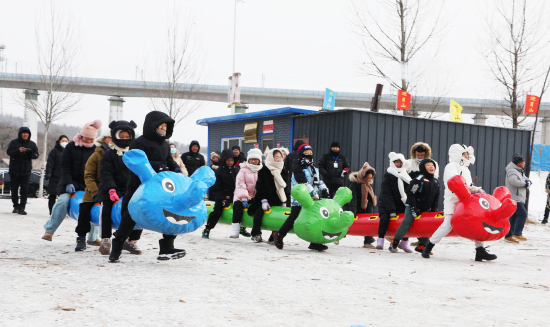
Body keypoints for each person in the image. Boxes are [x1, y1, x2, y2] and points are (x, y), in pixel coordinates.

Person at [109, 111, 185, 263]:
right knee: (129, 218)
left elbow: (169, 160)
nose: (163, 128)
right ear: (152, 126)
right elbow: (134, 161)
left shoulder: (165, 143)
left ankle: (167, 248)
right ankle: (116, 248)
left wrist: (176, 170)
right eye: (161, 125)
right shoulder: (139, 143)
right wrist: (159, 167)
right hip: (139, 187)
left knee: (169, 213)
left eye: (165, 126)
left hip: (159, 189)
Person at [422, 144, 497, 261]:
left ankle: (480, 249)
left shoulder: (465, 169)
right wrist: (469, 189)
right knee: (447, 224)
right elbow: (453, 182)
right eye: (464, 153)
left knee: (477, 220)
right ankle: (429, 246)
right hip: (453, 199)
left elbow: (468, 185)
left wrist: (475, 189)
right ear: (458, 154)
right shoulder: (451, 166)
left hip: (466, 199)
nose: (467, 156)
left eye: (467, 154)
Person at [43, 120, 102, 242]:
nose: (90, 142)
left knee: (94, 206)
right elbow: (65, 166)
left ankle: (93, 237)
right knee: (62, 202)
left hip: (88, 185)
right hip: (69, 183)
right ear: (82, 135)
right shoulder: (71, 147)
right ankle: (50, 230)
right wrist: (68, 182)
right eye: (87, 138)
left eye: (92, 139)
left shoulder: (96, 149)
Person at [273, 144, 330, 251]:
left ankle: (314, 242)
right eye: (306, 153)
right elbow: (302, 182)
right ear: (300, 155)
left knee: (314, 219)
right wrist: (313, 193)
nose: (309, 155)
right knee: (294, 216)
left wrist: (324, 190)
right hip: (300, 196)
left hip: (313, 197)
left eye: (310, 153)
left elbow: (318, 180)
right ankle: (279, 235)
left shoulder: (314, 166)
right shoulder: (298, 167)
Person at [97, 120, 142, 255]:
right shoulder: (109, 154)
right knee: (106, 209)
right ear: (115, 136)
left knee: (138, 211)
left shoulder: (135, 154)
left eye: (127, 137)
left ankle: (131, 241)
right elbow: (105, 173)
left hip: (131, 189)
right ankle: (106, 240)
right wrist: (111, 189)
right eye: (121, 137)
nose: (124, 139)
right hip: (110, 189)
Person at [389, 159, 439, 253]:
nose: (431, 167)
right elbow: (411, 194)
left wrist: (434, 209)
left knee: (426, 225)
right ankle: (395, 242)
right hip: (413, 204)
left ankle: (422, 245)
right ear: (423, 168)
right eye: (428, 165)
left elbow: (436, 197)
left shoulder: (436, 181)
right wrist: (413, 208)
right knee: (407, 222)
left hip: (426, 208)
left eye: (432, 165)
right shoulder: (418, 180)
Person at [74, 127, 111, 251]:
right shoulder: (95, 156)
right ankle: (81, 237)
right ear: (103, 139)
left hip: (111, 191)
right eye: (108, 137)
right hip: (92, 192)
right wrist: (95, 193)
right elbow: (88, 176)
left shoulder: (118, 155)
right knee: (84, 211)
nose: (111, 140)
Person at [248, 149, 288, 243]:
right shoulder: (264, 170)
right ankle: (256, 233)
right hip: (263, 198)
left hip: (278, 198)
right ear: (271, 158)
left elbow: (286, 187)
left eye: (280, 157)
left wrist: (284, 201)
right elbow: (260, 186)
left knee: (278, 216)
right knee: (259, 212)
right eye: (276, 157)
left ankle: (273, 236)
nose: (278, 160)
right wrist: (263, 200)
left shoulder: (283, 170)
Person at [202, 149, 240, 239]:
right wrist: (223, 198)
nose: (230, 162)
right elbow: (216, 188)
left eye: (232, 160)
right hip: (222, 196)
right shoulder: (219, 172)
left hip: (235, 195)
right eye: (228, 160)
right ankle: (207, 229)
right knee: (217, 211)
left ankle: (241, 228)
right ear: (224, 161)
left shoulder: (237, 170)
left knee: (240, 208)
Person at [376, 152, 411, 250]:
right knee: (384, 219)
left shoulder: (406, 176)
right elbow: (387, 195)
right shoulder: (388, 177)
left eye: (400, 162)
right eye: (396, 162)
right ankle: (380, 239)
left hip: (401, 203)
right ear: (392, 163)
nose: (398, 164)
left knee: (406, 220)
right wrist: (392, 210)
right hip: (386, 204)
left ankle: (404, 242)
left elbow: (409, 191)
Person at [230, 148, 263, 238]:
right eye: (251, 159)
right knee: (237, 207)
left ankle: (255, 232)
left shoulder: (261, 170)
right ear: (248, 160)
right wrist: (244, 198)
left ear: (259, 160)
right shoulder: (243, 170)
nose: (253, 161)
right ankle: (236, 230)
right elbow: (240, 183)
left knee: (258, 211)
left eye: (255, 160)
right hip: (241, 195)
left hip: (255, 196)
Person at [7, 126, 39, 215]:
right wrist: (18, 150)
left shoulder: (32, 144)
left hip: (26, 170)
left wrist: (30, 152)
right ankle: (15, 206)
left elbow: (36, 155)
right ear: (20, 134)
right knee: (14, 189)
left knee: (24, 189)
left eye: (27, 133)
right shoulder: (14, 142)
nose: (25, 135)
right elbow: (9, 152)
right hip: (14, 170)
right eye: (23, 133)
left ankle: (22, 207)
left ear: (29, 134)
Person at [344, 162, 377, 248]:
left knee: (369, 225)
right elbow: (352, 199)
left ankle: (368, 241)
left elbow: (369, 200)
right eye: (368, 175)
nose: (369, 178)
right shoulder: (354, 184)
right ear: (363, 174)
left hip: (364, 209)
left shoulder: (368, 185)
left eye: (371, 176)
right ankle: (338, 236)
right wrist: (352, 212)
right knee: (345, 225)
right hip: (355, 208)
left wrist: (370, 212)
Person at [504, 153, 531, 243]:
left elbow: (524, 178)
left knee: (514, 216)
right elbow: (514, 181)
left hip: (518, 196)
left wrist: (528, 181)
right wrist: (525, 183)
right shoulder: (512, 171)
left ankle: (508, 235)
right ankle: (517, 233)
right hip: (514, 197)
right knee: (523, 214)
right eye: (523, 162)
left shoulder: (519, 171)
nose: (524, 163)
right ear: (518, 163)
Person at [45, 135, 68, 215]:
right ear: (59, 141)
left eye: (66, 141)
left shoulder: (69, 151)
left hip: (65, 177)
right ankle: (52, 212)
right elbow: (49, 163)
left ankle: (63, 212)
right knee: (52, 195)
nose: (64, 142)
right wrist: (48, 173)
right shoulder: (54, 151)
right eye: (63, 140)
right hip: (55, 176)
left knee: (64, 196)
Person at [284, 140, 305, 206]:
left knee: (291, 195)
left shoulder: (290, 155)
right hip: (302, 178)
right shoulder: (304, 155)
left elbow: (285, 167)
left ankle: (289, 210)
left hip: (291, 178)